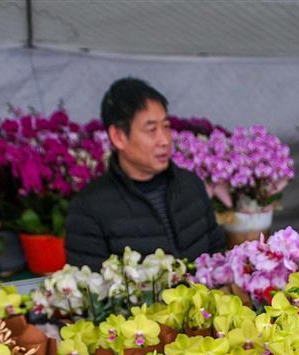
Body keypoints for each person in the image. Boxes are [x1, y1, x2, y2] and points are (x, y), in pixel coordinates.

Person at [65, 77, 225, 266]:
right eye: (151, 130)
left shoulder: (191, 186)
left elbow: (217, 255)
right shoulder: (88, 210)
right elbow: (91, 290)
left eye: (166, 126)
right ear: (118, 137)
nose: (164, 140)